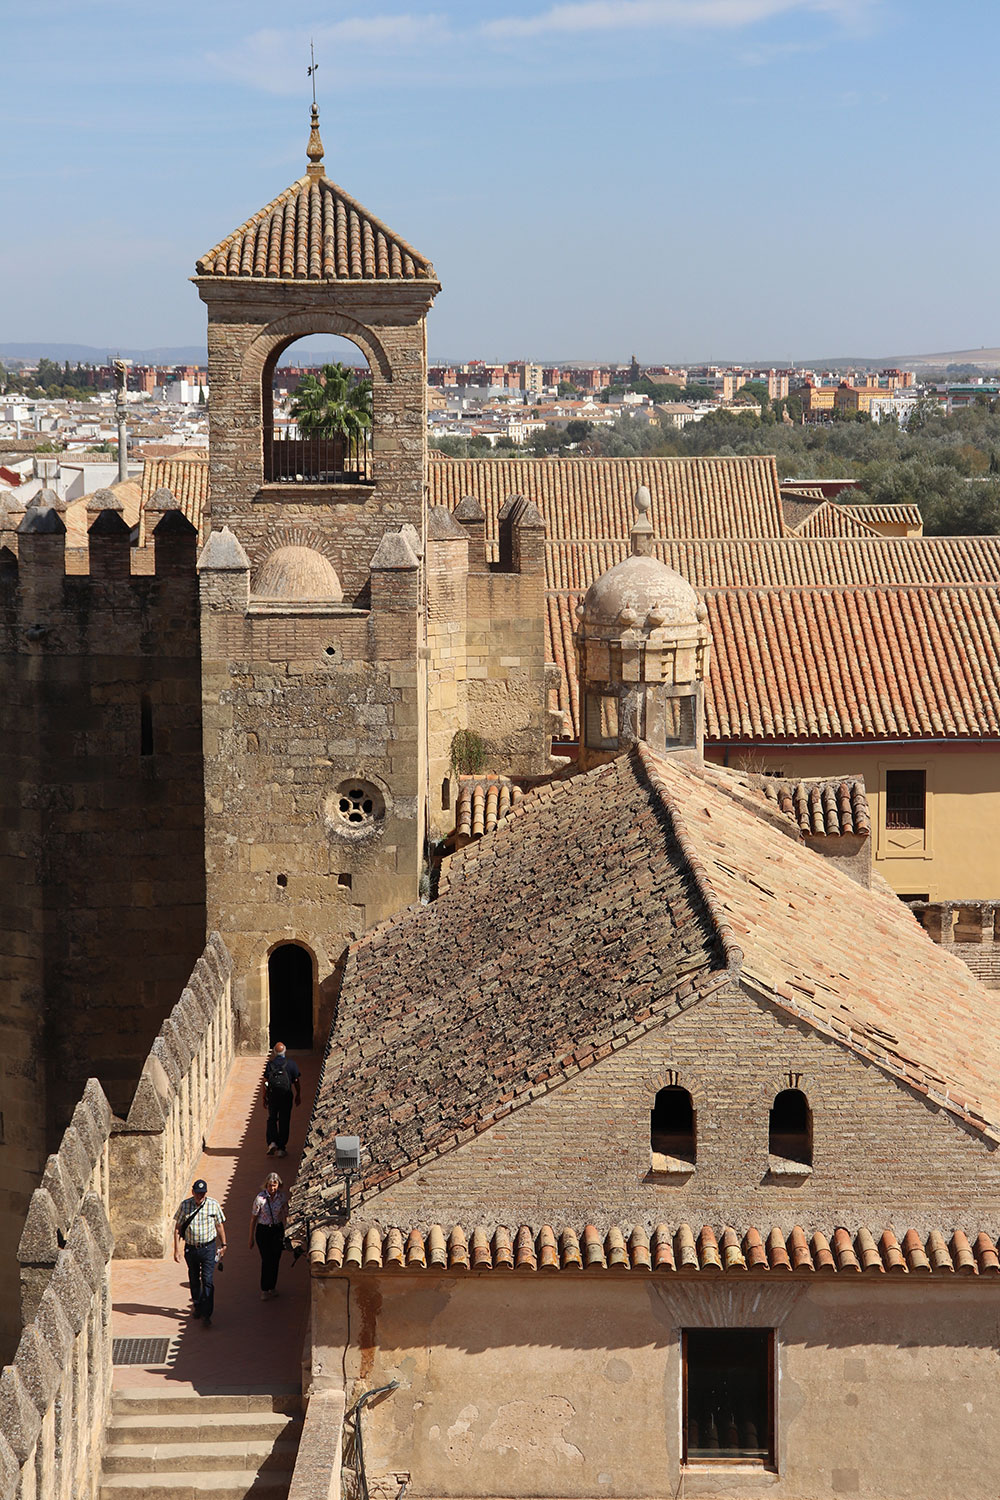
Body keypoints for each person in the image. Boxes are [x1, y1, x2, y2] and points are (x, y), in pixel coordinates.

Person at [173, 1178, 226, 1327]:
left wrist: (224, 1244)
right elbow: (178, 1227)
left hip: (208, 1248)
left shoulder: (213, 1205)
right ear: (193, 1192)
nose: (200, 1196)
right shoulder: (185, 1206)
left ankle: (207, 1313)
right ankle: (197, 1304)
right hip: (191, 1248)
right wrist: (176, 1249)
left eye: (202, 1194)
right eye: (197, 1193)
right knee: (194, 1278)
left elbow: (219, 1226)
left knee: (208, 1280)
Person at [249, 1171, 288, 1299]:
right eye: (270, 1185)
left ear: (278, 1185)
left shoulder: (281, 1197)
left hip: (277, 1230)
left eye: (275, 1185)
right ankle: (264, 1289)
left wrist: (287, 1231)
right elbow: (253, 1219)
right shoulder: (260, 1199)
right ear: (266, 1185)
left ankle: (272, 1287)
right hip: (263, 1231)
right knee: (266, 1259)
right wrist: (251, 1238)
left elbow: (285, 1214)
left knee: (275, 1259)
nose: (272, 1188)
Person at [263, 1042, 301, 1158]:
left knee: (272, 1118)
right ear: (285, 1051)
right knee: (284, 1120)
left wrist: (264, 1097)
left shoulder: (270, 1065)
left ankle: (272, 1142)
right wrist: (298, 1094)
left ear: (274, 1052)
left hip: (273, 1096)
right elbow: (296, 1081)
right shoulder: (291, 1064)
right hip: (286, 1095)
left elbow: (265, 1082)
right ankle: (281, 1148)